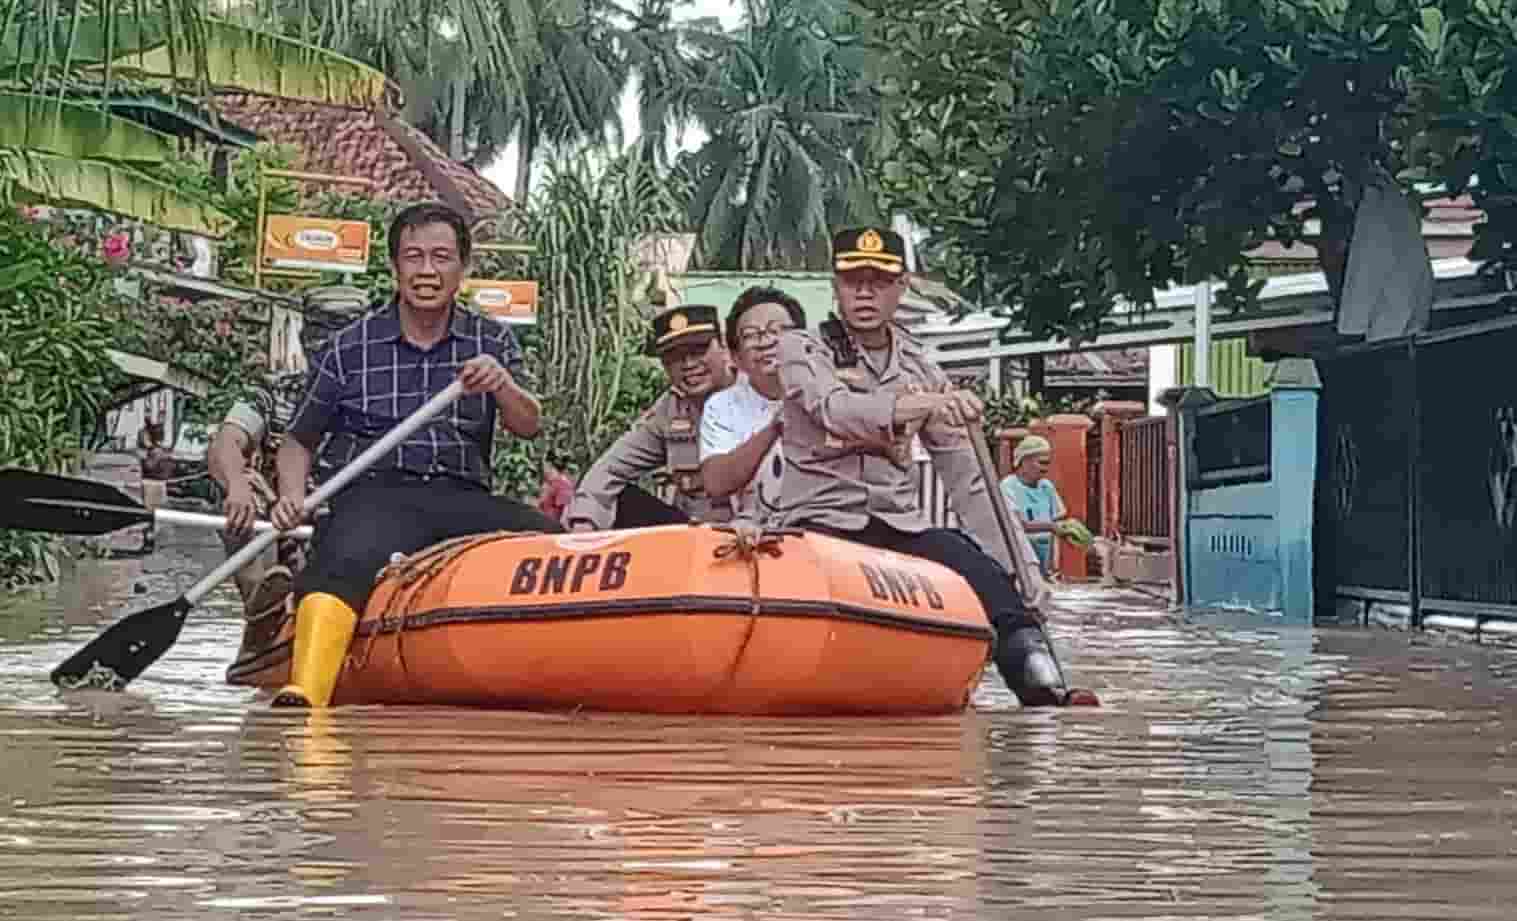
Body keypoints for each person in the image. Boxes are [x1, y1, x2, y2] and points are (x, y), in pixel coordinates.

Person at [269, 201, 563, 709]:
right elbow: (299, 440)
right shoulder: (348, 347)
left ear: (463, 269)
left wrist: (503, 384)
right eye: (414, 257)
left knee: (552, 543)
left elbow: (528, 424)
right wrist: (293, 496)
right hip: (375, 495)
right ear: (395, 267)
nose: (427, 271)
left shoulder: (490, 338)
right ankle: (306, 695)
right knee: (342, 557)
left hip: (462, 497)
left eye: (441, 257)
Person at [772, 226, 1073, 707]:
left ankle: (1045, 694)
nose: (865, 292)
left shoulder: (921, 367)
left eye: (879, 280)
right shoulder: (802, 350)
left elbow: (968, 482)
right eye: (853, 280)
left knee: (992, 584)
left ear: (901, 287)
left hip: (897, 526)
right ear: (835, 285)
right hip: (821, 522)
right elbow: (833, 409)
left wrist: (1023, 575)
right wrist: (917, 406)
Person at [208, 305, 357, 624]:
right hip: (280, 518)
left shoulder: (376, 396)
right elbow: (228, 439)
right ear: (305, 343)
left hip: (350, 515)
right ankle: (261, 604)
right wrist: (236, 485)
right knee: (244, 484)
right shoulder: (274, 392)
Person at [563, 305, 737, 531]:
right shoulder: (669, 410)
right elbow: (609, 469)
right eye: (675, 358)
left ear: (723, 346)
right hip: (693, 537)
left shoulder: (759, 393)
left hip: (760, 536)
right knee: (620, 499)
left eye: (698, 351)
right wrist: (584, 524)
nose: (689, 365)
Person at [699, 286, 806, 524]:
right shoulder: (722, 406)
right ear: (736, 358)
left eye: (777, 330)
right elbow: (716, 483)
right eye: (750, 335)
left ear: (804, 340)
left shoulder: (831, 391)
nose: (765, 341)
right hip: (754, 533)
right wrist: (774, 428)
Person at [998, 434, 1075, 576]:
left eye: (1047, 463)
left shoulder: (1046, 486)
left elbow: (1059, 518)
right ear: (1024, 461)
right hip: (1019, 559)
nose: (1045, 468)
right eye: (1042, 463)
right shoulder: (1007, 486)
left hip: (1044, 559)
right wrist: (1051, 527)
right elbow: (1015, 524)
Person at [536, 459, 576, 524]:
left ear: (551, 467)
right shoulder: (551, 483)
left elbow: (566, 508)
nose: (543, 471)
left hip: (552, 526)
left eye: (545, 467)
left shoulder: (562, 484)